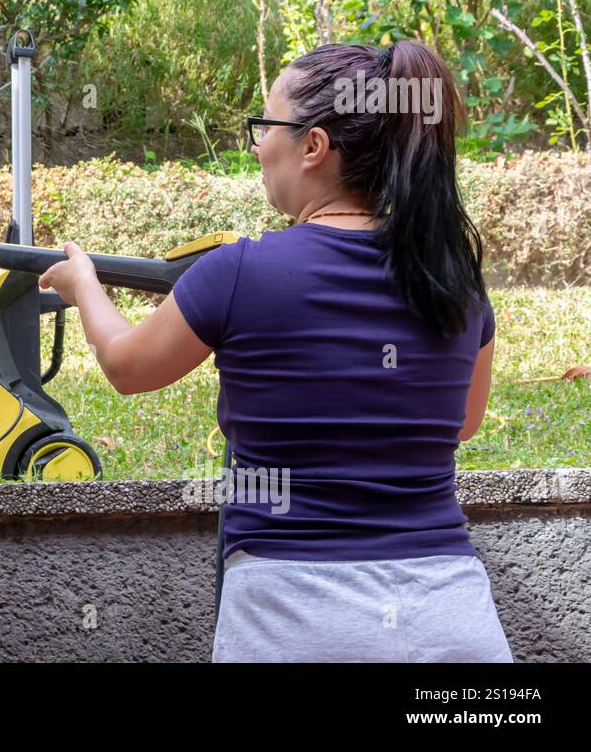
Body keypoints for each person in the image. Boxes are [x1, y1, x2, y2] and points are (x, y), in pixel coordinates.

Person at [37, 39, 513, 663]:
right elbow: (465, 421)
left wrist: (83, 285)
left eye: (266, 128)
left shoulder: (238, 272)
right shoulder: (454, 282)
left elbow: (127, 366)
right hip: (452, 618)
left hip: (295, 619)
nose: (258, 146)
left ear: (313, 146)